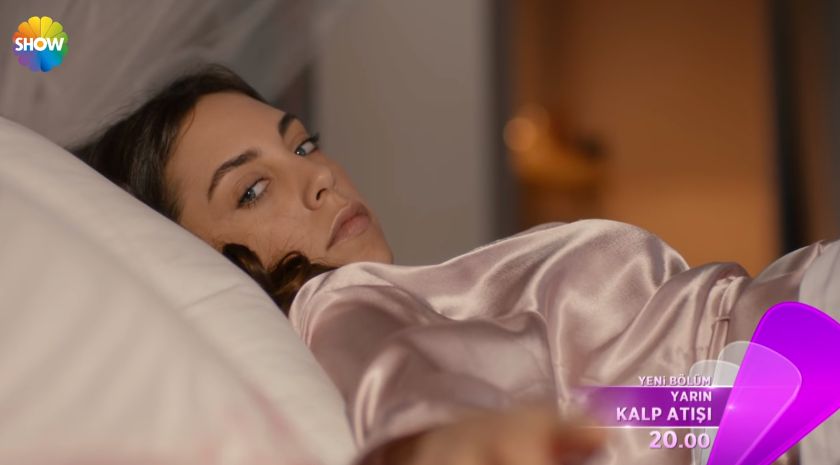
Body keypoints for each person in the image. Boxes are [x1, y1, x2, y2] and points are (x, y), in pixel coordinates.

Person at [74, 64, 833, 465]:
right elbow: (408, 375)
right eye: (252, 189)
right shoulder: (331, 305)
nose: (319, 176)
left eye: (302, 143)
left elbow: (644, 404)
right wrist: (439, 439)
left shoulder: (403, 299)